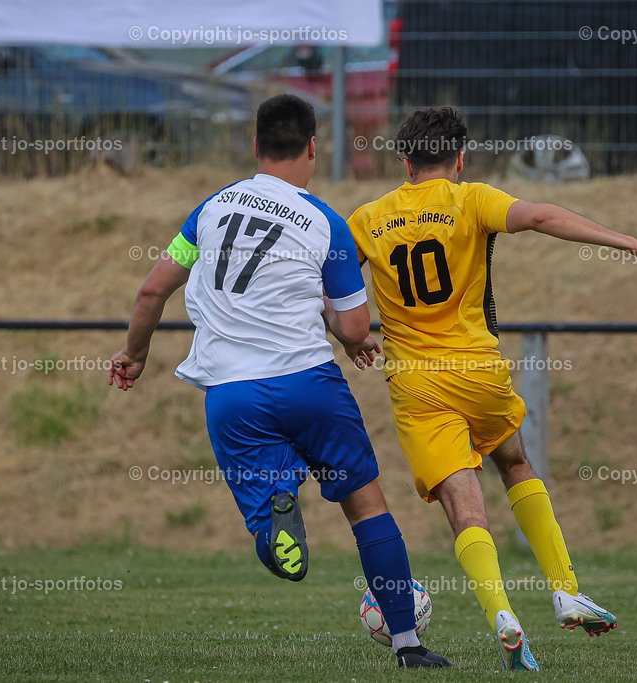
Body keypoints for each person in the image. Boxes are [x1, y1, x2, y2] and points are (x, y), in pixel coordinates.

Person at [107, 94, 450, 669]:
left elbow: (151, 291)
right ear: (313, 147)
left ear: (255, 144)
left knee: (268, 510)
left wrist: (134, 354)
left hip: (233, 395)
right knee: (368, 507)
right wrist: (350, 338)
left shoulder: (210, 212)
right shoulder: (326, 223)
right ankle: (408, 646)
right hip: (310, 386)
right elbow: (355, 324)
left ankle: (275, 520)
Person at [344, 106, 637, 671]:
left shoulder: (368, 218)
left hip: (416, 384)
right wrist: (632, 242)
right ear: (460, 158)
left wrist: (346, 335)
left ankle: (501, 613)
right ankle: (565, 589)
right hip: (478, 370)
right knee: (515, 462)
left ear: (404, 163)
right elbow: (542, 215)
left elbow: (330, 286)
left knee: (460, 499)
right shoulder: (470, 199)